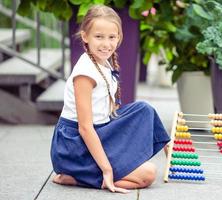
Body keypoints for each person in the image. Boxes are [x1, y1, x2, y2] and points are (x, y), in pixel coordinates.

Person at [50, 5, 170, 194]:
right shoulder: (84, 73)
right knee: (148, 173)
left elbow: (107, 111)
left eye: (112, 37)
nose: (106, 44)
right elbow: (85, 128)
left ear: (119, 38)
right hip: (74, 147)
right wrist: (107, 169)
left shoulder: (103, 61)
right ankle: (76, 177)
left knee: (143, 109)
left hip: (99, 130)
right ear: (85, 37)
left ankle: (171, 153)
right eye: (99, 37)